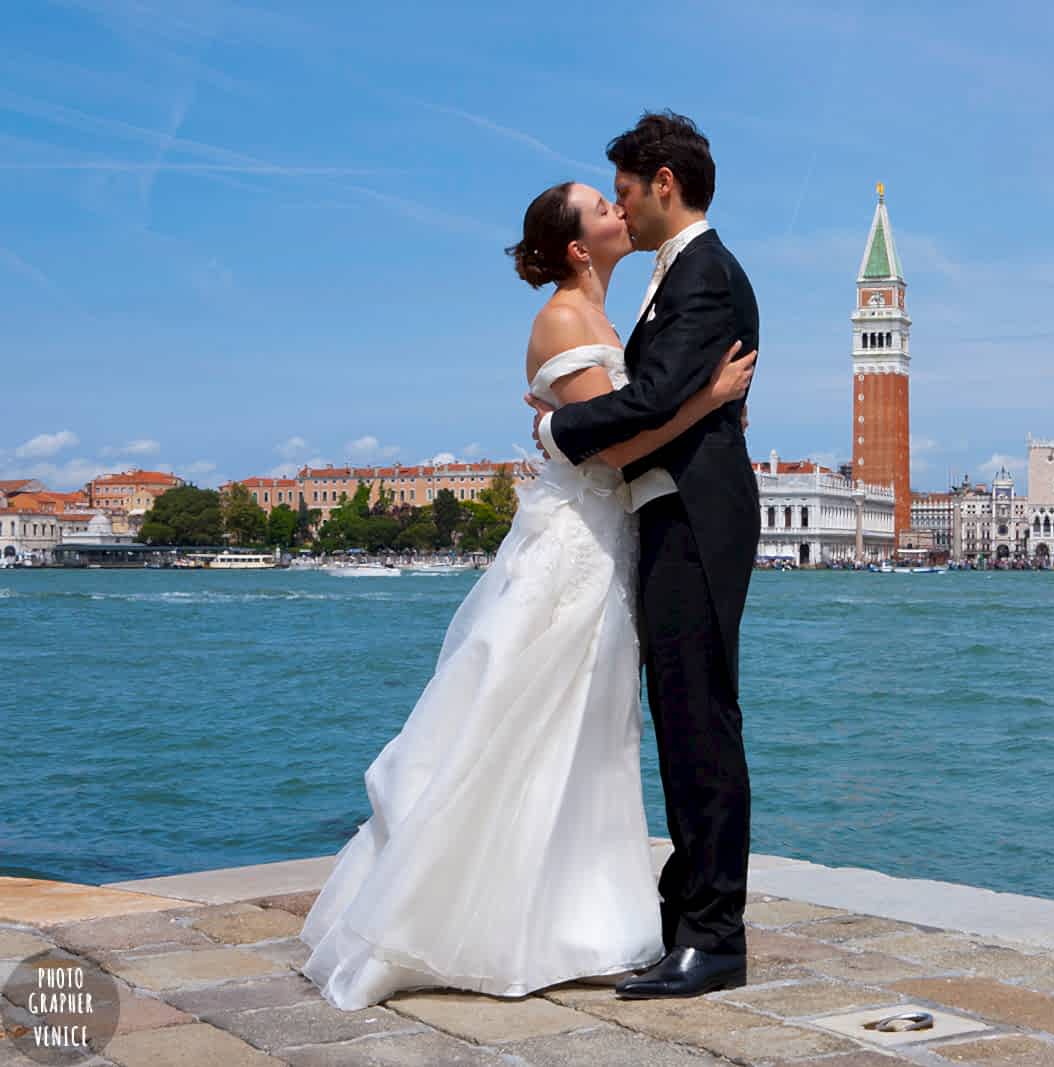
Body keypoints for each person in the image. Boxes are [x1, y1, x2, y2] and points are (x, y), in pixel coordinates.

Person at [296, 174, 756, 1012]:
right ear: (581, 246)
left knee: (589, 727)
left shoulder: (615, 315)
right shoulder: (563, 318)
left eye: (621, 198)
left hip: (616, 538)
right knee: (535, 714)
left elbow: (626, 417)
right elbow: (612, 451)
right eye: (604, 206)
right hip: (582, 540)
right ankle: (504, 913)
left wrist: (689, 408)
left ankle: (581, 912)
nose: (621, 212)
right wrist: (710, 401)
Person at [528, 111, 759, 999]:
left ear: (663, 182)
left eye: (623, 187)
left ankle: (715, 935)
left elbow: (657, 397)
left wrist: (556, 427)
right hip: (676, 514)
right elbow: (676, 397)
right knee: (687, 720)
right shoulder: (681, 275)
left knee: (701, 721)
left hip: (694, 518)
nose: (620, 204)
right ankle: (688, 910)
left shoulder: (702, 274)